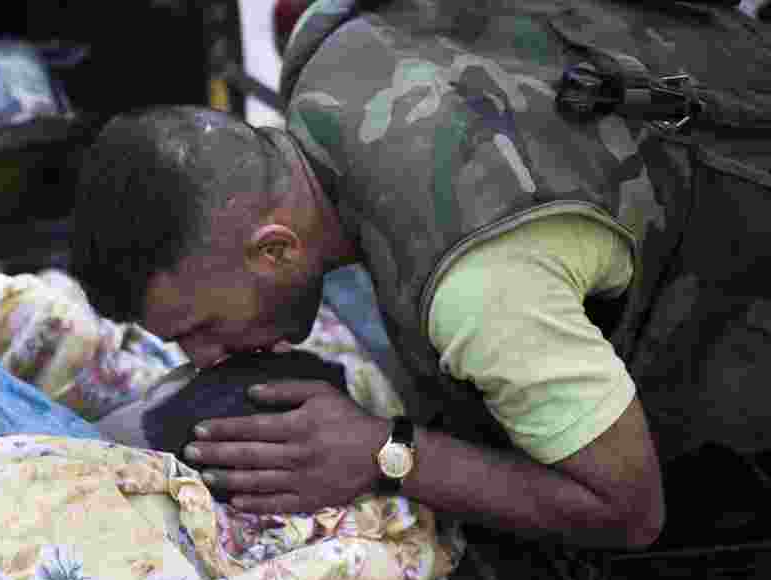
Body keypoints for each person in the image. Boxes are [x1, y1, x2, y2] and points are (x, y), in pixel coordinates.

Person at [71, 0, 771, 550]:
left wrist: (385, 450)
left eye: (200, 328)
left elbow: (629, 507)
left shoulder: (479, 282)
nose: (200, 357)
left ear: (276, 249)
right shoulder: (329, 46)